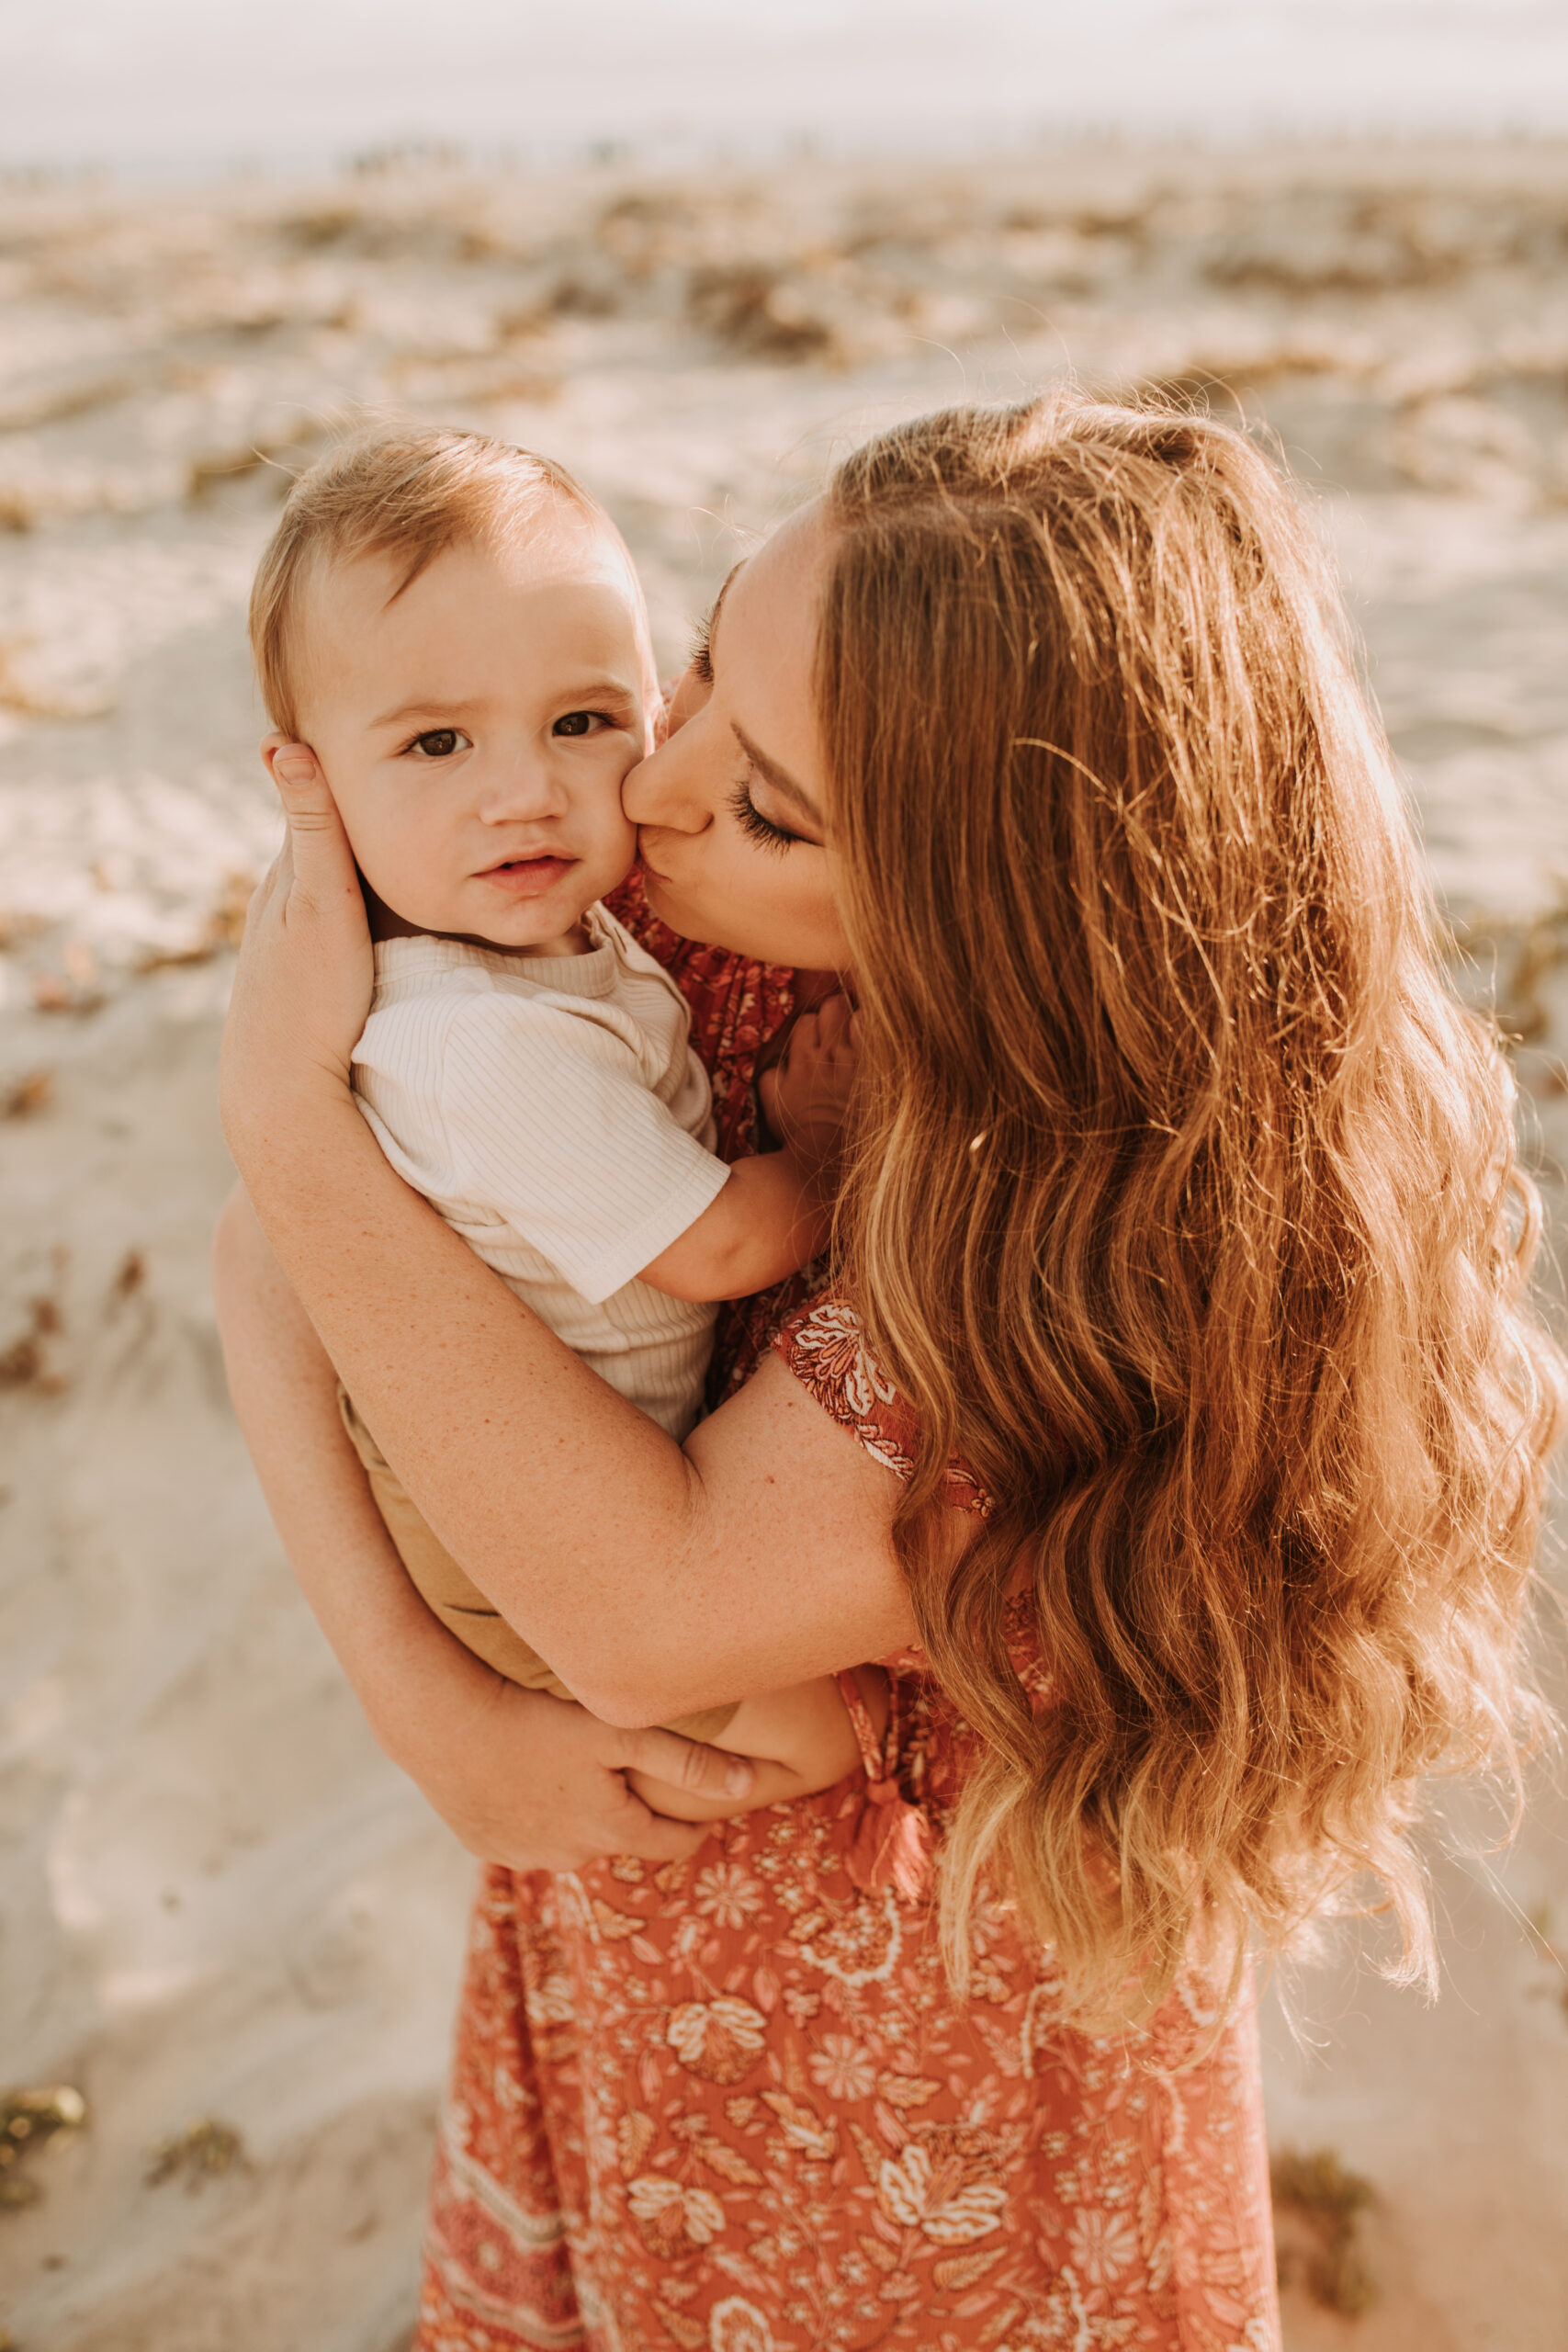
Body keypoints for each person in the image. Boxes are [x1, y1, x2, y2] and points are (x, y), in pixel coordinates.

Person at [214, 391, 1564, 2352]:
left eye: (764, 799)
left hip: (930, 2039)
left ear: (989, 920)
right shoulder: (677, 929)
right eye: (693, 667)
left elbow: (642, 1606)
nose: (653, 791)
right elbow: (284, 1259)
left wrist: (285, 1113)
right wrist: (415, 1697)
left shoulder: (1059, 1230)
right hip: (633, 1908)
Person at [246, 424, 873, 1815]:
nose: (527, 789)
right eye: (436, 741)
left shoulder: (555, 933)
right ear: (315, 787)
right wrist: (818, 1149)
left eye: (585, 721)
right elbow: (711, 1251)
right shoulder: (471, 1036)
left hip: (587, 1488)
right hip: (509, 1539)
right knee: (811, 1748)